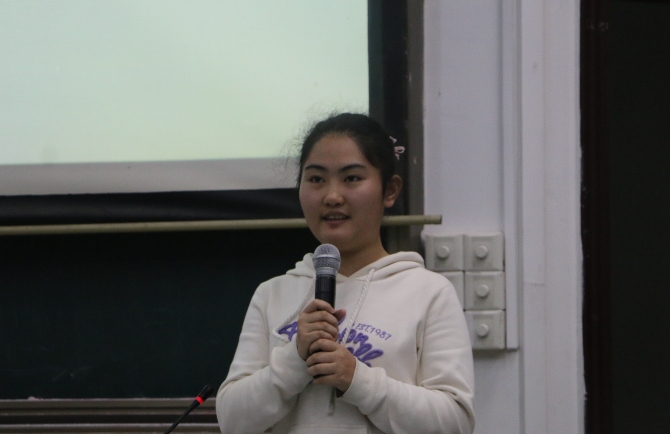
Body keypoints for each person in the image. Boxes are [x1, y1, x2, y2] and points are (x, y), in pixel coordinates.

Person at [216, 113, 475, 433]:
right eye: (316, 179)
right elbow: (232, 421)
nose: (332, 196)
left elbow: (454, 422)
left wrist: (357, 379)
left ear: (390, 190)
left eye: (351, 178)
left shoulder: (428, 292)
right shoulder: (272, 294)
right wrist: (293, 361)